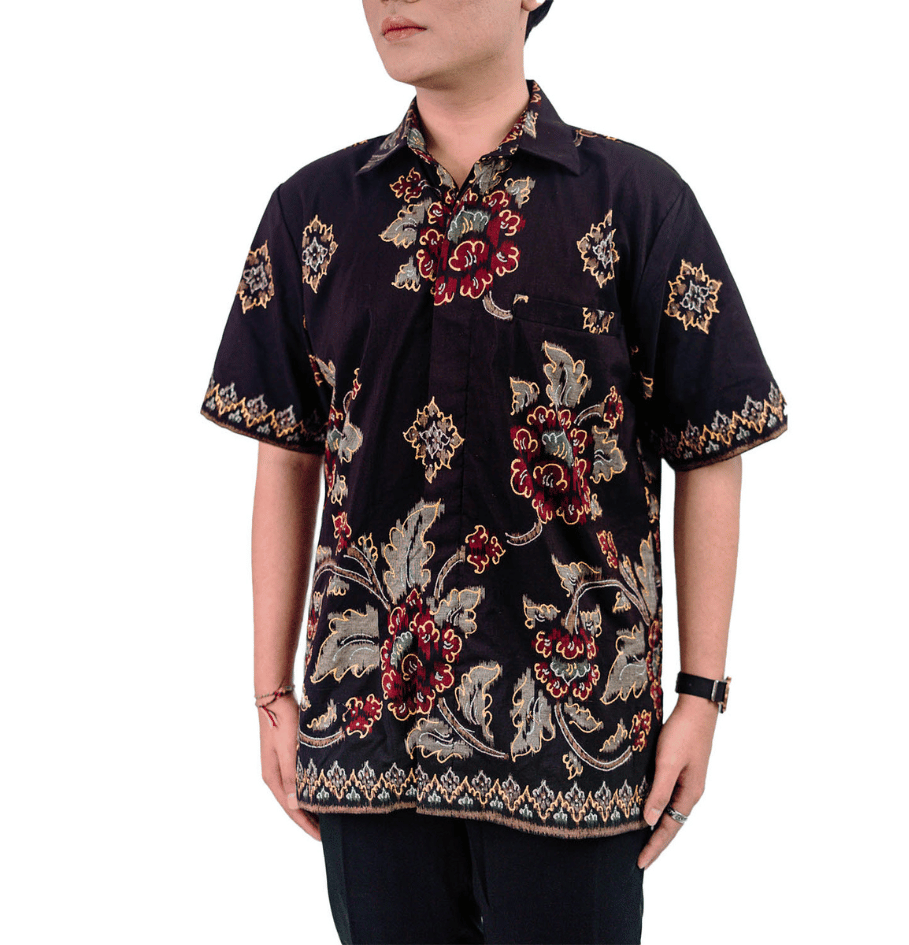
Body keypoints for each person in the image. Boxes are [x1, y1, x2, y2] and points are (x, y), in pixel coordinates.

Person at [200, 2, 787, 942]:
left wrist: (700, 693)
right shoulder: (313, 211)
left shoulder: (633, 201)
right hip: (367, 732)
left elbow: (710, 442)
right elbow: (289, 452)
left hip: (580, 738)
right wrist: (271, 692)